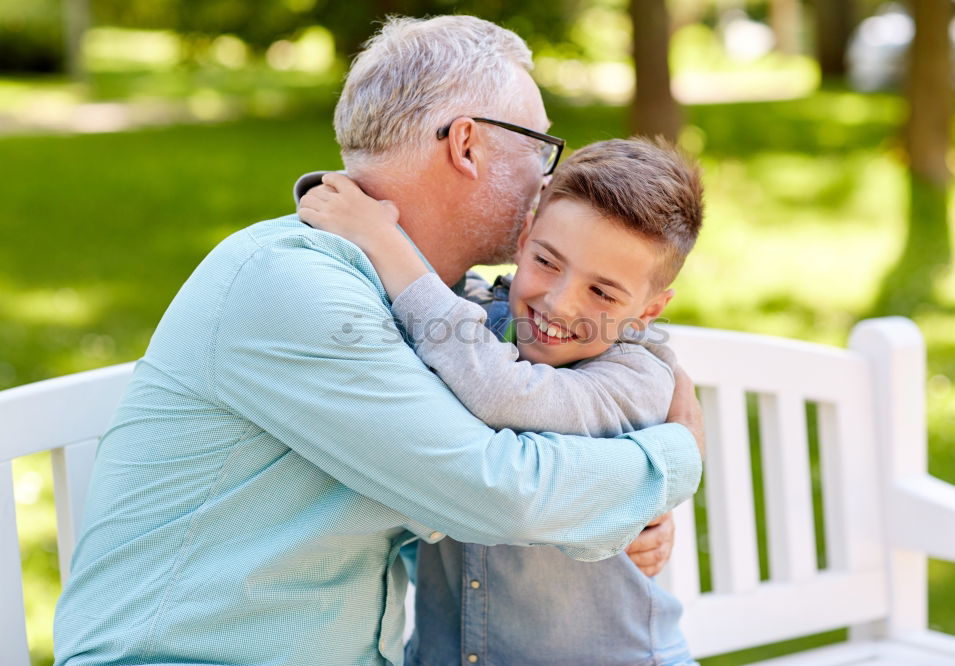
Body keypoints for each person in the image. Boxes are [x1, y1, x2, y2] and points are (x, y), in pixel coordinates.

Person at [53, 16, 704, 666]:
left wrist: (609, 510)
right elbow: (496, 494)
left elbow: (478, 488)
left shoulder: (429, 303)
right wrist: (669, 461)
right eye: (539, 146)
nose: (543, 178)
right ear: (469, 146)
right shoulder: (296, 286)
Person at [298, 137, 703, 665]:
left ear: (649, 311)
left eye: (602, 293)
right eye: (547, 261)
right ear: (525, 236)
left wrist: (382, 240)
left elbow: (500, 391)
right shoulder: (475, 313)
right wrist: (355, 209)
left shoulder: (639, 379)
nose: (558, 302)